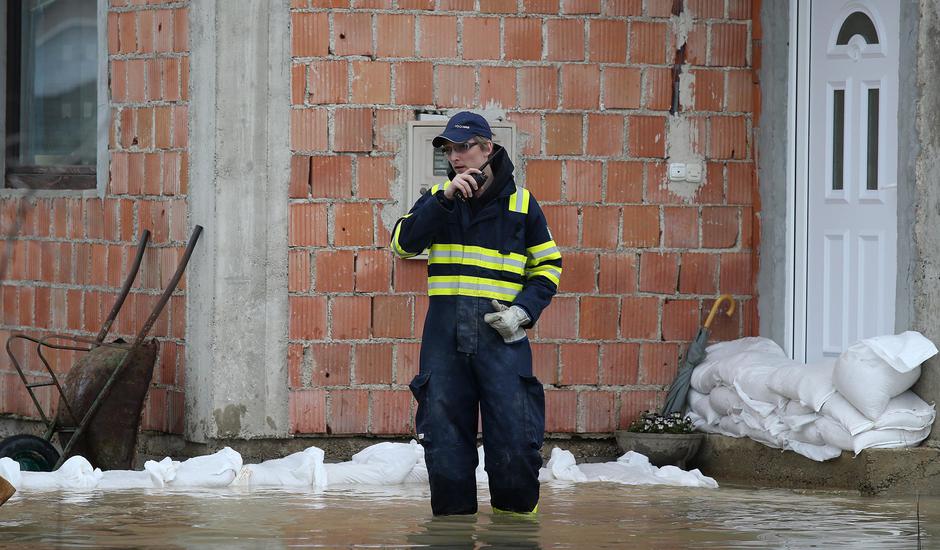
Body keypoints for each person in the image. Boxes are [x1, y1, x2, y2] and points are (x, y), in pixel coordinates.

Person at [390, 111, 562, 516]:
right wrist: (444, 200)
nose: (456, 156)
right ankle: (452, 535)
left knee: (516, 448)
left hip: (502, 343)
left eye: (464, 147)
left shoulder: (522, 205)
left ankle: (515, 536)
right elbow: (402, 244)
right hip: (445, 346)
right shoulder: (438, 199)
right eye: (450, 149)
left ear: (488, 148)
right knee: (446, 452)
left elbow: (548, 268)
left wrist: (522, 312)